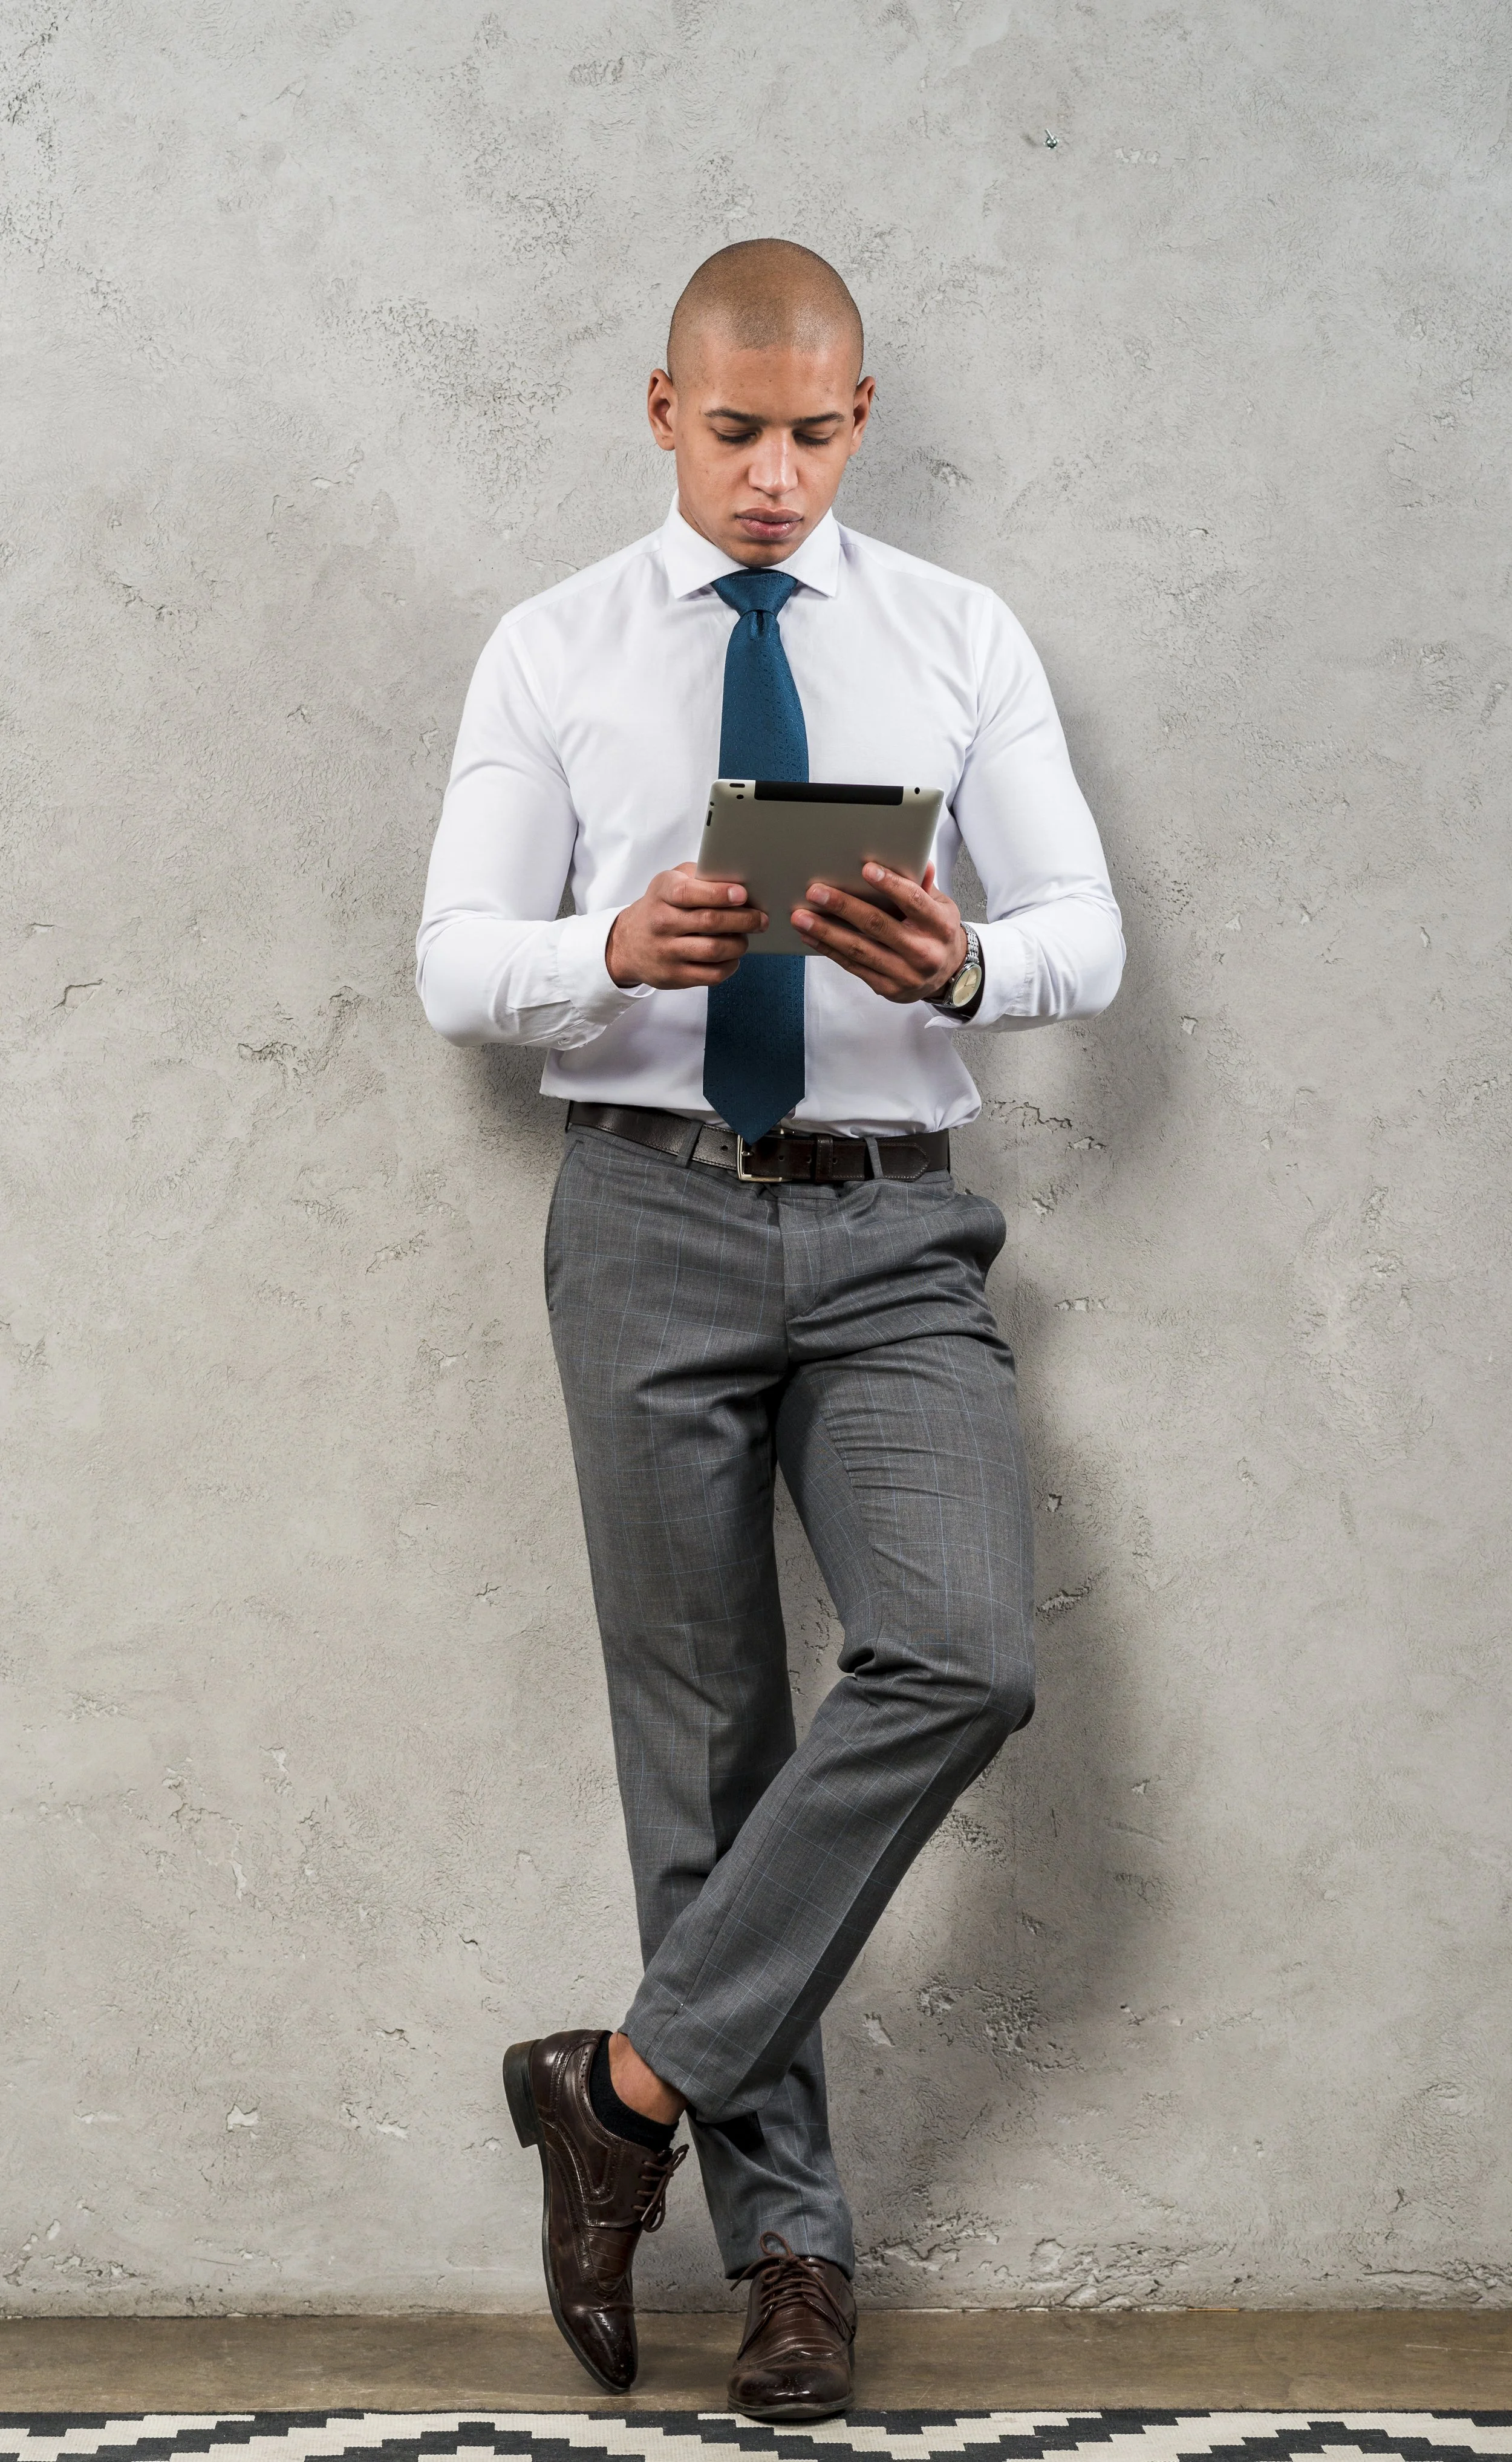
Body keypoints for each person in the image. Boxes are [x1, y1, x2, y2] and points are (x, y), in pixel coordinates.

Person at [416, 238, 1123, 2420]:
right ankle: (791, 2261)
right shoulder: (556, 648)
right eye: (736, 432)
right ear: (661, 411)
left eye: (814, 433)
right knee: (704, 1761)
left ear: (859, 414)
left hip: (894, 1232)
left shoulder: (952, 638)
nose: (775, 477)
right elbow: (454, 959)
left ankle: (614, 2087)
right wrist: (601, 944)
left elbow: (1083, 925)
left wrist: (968, 970)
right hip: (643, 1215)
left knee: (960, 1649)